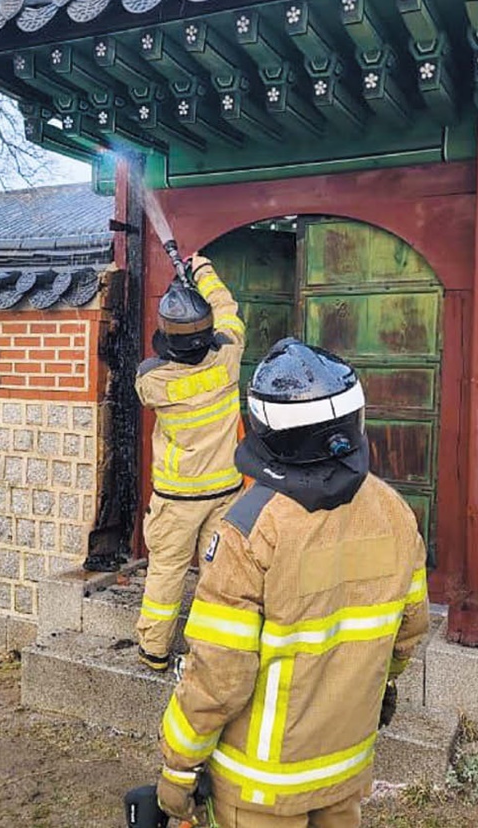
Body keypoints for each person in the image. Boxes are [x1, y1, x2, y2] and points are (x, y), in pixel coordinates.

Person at [155, 337, 429, 827]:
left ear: (266, 432)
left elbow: (219, 676)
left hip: (261, 787)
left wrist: (178, 767)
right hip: (344, 769)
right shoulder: (395, 513)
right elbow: (406, 635)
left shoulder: (250, 529)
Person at [135, 253, 245, 672]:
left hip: (176, 499)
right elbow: (227, 310)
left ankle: (154, 650)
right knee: (217, 576)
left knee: (166, 572)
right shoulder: (230, 356)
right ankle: (208, 652)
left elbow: (155, 365)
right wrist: (201, 269)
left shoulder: (152, 380)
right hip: (226, 493)